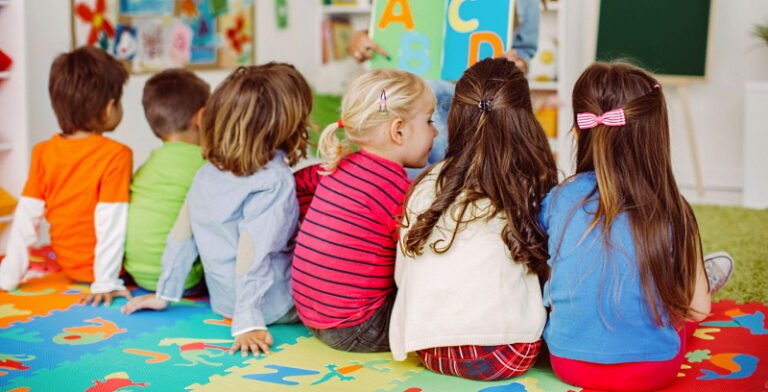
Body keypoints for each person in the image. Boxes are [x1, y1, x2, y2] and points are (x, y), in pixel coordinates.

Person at [539, 62, 735, 391]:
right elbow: (700, 311)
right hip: (652, 372)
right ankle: (699, 276)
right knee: (679, 309)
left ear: (577, 130)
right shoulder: (673, 209)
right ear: (657, 135)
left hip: (568, 364)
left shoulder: (558, 199)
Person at [121, 63, 312, 357]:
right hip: (270, 306)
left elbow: (182, 234)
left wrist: (165, 292)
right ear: (288, 124)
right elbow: (253, 251)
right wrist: (248, 321)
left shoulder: (207, 172)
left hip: (223, 301)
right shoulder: (275, 180)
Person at [390, 58, 557, 380]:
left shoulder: (426, 182)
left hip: (429, 348)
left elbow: (403, 274)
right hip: (508, 352)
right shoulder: (531, 182)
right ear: (524, 117)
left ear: (456, 116)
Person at [291, 69, 436, 352]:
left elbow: (295, 186)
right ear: (398, 131)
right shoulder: (395, 190)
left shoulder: (333, 167)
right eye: (429, 121)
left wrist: (328, 225)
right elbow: (425, 252)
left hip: (310, 315)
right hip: (358, 328)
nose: (436, 131)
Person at [0, 46, 132, 307]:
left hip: (69, 266)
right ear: (109, 108)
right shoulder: (116, 155)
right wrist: (104, 281)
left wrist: (8, 276)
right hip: (106, 271)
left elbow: (27, 217)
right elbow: (111, 220)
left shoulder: (43, 152)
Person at [347, 0, 541, 176]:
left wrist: (516, 63)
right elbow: (393, 24)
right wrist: (361, 39)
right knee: (403, 195)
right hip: (406, 111)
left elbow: (525, 50)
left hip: (474, 108)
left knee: (466, 187)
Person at [123, 69, 210, 295]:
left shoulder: (147, 166)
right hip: (185, 281)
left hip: (138, 274)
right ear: (201, 117)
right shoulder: (206, 165)